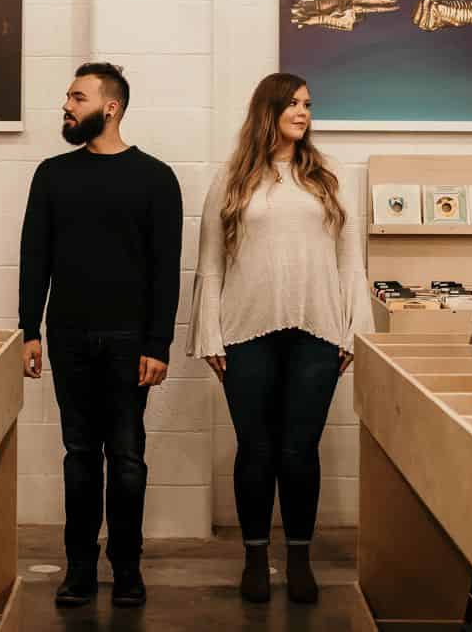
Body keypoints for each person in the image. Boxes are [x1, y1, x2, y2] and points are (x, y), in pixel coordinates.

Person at [189, 73, 373, 605]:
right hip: (245, 332)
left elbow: (349, 262)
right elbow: (210, 263)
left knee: (300, 451)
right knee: (256, 449)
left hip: (317, 330)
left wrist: (352, 331)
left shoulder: (327, 176)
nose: (303, 112)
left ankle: (298, 558)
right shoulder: (230, 180)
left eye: (308, 104)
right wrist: (210, 336)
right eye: (292, 103)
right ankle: (252, 558)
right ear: (267, 110)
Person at [19, 62, 183, 610]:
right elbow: (34, 257)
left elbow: (167, 270)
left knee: (129, 457)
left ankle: (128, 568)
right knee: (79, 456)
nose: (66, 105)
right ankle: (80, 569)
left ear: (109, 107)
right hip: (67, 338)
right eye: (67, 95)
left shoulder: (157, 179)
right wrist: (28, 329)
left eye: (76, 96)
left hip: (128, 342)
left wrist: (157, 344)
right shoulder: (52, 175)